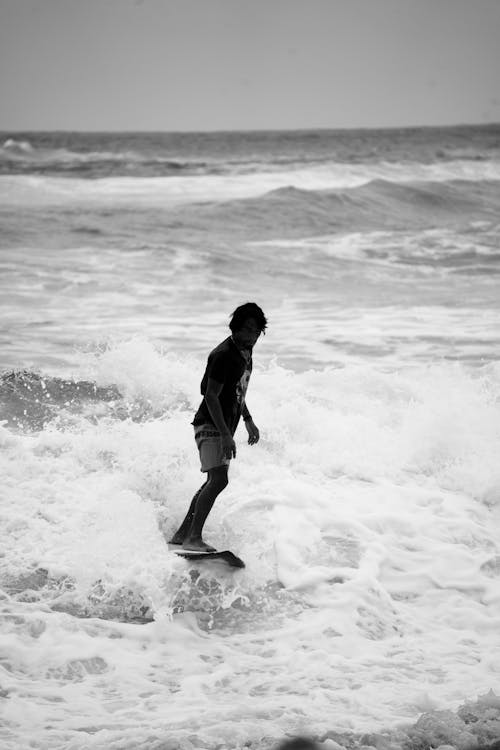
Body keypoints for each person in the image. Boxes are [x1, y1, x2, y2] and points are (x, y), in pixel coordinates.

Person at [170, 302, 268, 552]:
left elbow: (236, 391)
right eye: (247, 330)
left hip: (224, 425)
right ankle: (193, 538)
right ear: (235, 328)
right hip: (212, 425)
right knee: (219, 480)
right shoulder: (224, 354)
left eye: (257, 332)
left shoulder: (245, 352)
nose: (252, 336)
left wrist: (247, 419)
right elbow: (210, 394)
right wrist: (225, 434)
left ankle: (183, 534)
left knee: (213, 480)